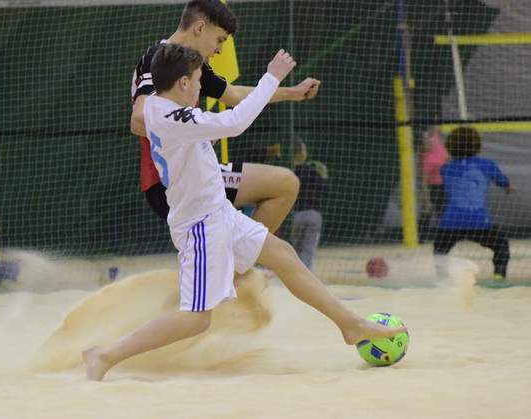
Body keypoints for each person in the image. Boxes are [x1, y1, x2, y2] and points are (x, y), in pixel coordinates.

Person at [83, 44, 406, 381]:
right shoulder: (168, 115)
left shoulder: (163, 107)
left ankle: (351, 324)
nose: (199, 90)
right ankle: (105, 354)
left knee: (283, 254)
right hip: (200, 226)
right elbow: (235, 122)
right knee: (195, 319)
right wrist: (272, 77)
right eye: (197, 82)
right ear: (182, 82)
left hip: (219, 213)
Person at [130, 0, 321, 234]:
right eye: (219, 39)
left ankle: (241, 253)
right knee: (284, 184)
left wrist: (292, 93)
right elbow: (139, 120)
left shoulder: (189, 65)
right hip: (171, 181)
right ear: (200, 28)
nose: (219, 50)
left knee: (285, 185)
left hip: (193, 174)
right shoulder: (158, 60)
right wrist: (194, 133)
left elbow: (234, 94)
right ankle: (242, 255)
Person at [433, 126, 514, 280]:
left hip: (451, 222)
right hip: (479, 221)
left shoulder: (445, 168)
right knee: (502, 246)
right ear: (477, 145)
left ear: (450, 146)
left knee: (440, 251)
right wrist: (507, 188)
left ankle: (442, 279)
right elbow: (503, 181)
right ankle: (499, 276)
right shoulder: (488, 164)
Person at [291, 138, 330, 272]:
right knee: (308, 249)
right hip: (313, 214)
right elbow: (326, 190)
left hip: (294, 215)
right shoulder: (311, 171)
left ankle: (293, 276)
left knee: (294, 249)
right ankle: (307, 277)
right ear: (302, 152)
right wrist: (324, 176)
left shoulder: (286, 170)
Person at [418, 126, 448, 231]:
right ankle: (421, 234)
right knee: (430, 210)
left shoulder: (435, 140)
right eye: (423, 144)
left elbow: (435, 128)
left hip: (446, 183)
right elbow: (424, 182)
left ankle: (446, 231)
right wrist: (427, 200)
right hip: (435, 187)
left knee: (444, 210)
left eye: (426, 141)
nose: (426, 145)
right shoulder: (426, 159)